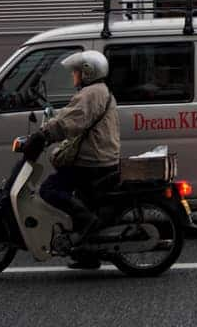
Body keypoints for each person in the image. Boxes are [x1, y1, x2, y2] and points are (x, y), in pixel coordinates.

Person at [38, 49, 119, 269]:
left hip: (93, 161)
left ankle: (87, 222)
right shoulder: (100, 91)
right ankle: (87, 253)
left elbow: (69, 121)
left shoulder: (91, 93)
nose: (74, 77)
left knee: (49, 189)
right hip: (101, 158)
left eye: (76, 73)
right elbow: (70, 115)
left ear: (88, 72)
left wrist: (43, 135)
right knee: (83, 200)